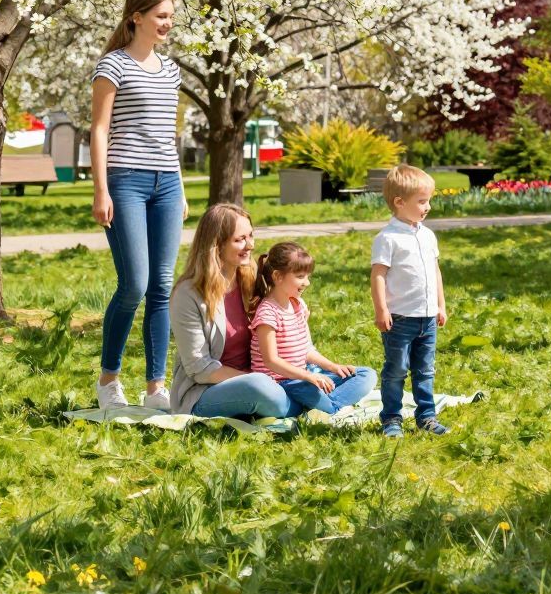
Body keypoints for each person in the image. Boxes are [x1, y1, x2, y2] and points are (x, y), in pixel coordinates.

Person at [91, 0, 187, 410]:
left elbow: (169, 136)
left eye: (170, 16)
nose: (167, 23)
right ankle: (109, 380)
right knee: (134, 284)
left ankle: (155, 388)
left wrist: (180, 186)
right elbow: (99, 130)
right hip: (125, 181)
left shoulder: (170, 71)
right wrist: (101, 189)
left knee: (162, 287)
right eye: (161, 16)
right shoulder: (113, 66)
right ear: (136, 17)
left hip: (165, 182)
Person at [170, 204, 294, 419]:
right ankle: (301, 402)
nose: (250, 245)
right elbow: (200, 368)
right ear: (216, 245)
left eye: (251, 236)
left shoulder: (250, 277)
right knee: (259, 386)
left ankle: (294, 397)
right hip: (206, 391)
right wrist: (254, 378)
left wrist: (294, 315)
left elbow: (271, 327)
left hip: (263, 376)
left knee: (360, 376)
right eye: (240, 240)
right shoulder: (187, 294)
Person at [250, 241, 374, 422]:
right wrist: (309, 376)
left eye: (308, 276)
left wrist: (333, 367)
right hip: (283, 383)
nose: (307, 282)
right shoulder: (267, 313)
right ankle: (327, 406)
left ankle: (321, 405)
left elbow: (307, 350)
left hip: (304, 376)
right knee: (309, 391)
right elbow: (271, 361)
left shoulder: (298, 304)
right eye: (300, 276)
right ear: (278, 276)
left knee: (366, 374)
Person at [371, 164, 450, 438]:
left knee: (425, 370)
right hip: (400, 318)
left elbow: (435, 270)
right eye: (422, 201)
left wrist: (440, 304)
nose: (427, 206)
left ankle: (426, 416)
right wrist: (381, 309)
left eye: (428, 200)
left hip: (427, 318)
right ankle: (391, 418)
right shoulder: (387, 238)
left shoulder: (427, 235)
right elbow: (378, 276)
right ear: (399, 202)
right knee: (396, 370)